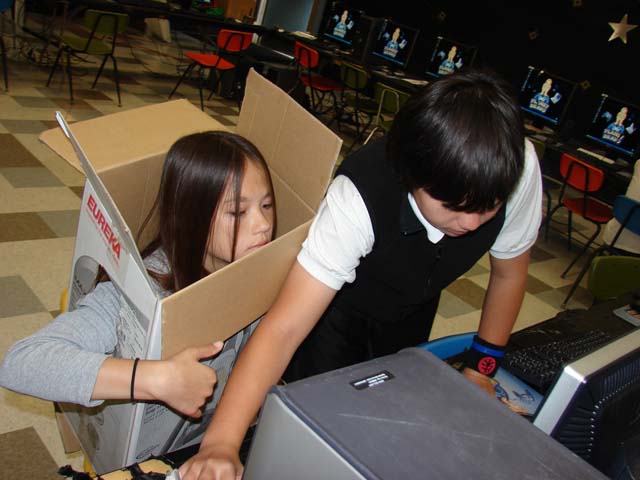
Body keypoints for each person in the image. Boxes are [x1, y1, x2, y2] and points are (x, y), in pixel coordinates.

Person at [179, 69, 543, 480]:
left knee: (389, 417)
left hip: (415, 303)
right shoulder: (357, 197)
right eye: (453, 207)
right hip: (338, 310)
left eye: (489, 207)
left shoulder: (517, 166)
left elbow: (509, 274)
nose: (473, 224)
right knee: (318, 426)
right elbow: (283, 328)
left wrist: (481, 369)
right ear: (412, 172)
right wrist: (221, 444)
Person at [0, 131, 276, 418]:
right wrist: (156, 379)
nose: (263, 224)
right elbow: (21, 362)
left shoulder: (261, 262)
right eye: (238, 212)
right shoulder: (145, 289)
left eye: (266, 205)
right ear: (191, 216)